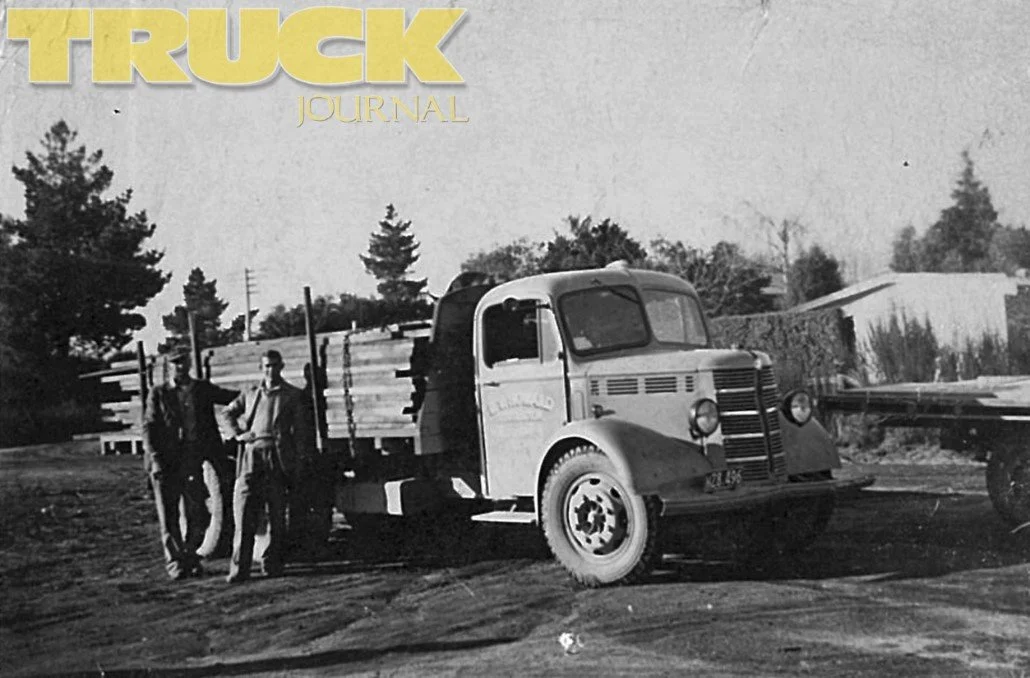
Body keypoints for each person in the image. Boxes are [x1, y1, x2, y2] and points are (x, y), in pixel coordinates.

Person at [142, 350, 238, 581]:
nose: (180, 367)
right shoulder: (159, 393)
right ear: (168, 367)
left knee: (196, 513)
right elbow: (149, 427)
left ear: (190, 364)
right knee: (169, 515)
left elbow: (230, 396)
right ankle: (175, 564)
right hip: (166, 461)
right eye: (175, 363)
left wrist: (258, 390)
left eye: (183, 362)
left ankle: (191, 558)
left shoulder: (201, 388)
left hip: (192, 459)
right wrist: (155, 458)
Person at [220, 349, 312, 583]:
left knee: (277, 514)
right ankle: (239, 569)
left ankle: (272, 564)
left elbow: (302, 433)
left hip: (277, 458)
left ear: (281, 367)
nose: (271, 370)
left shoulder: (292, 395)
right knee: (244, 513)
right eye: (267, 366)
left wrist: (296, 463)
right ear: (261, 368)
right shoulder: (251, 393)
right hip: (252, 456)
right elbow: (227, 413)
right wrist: (238, 434)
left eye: (274, 365)